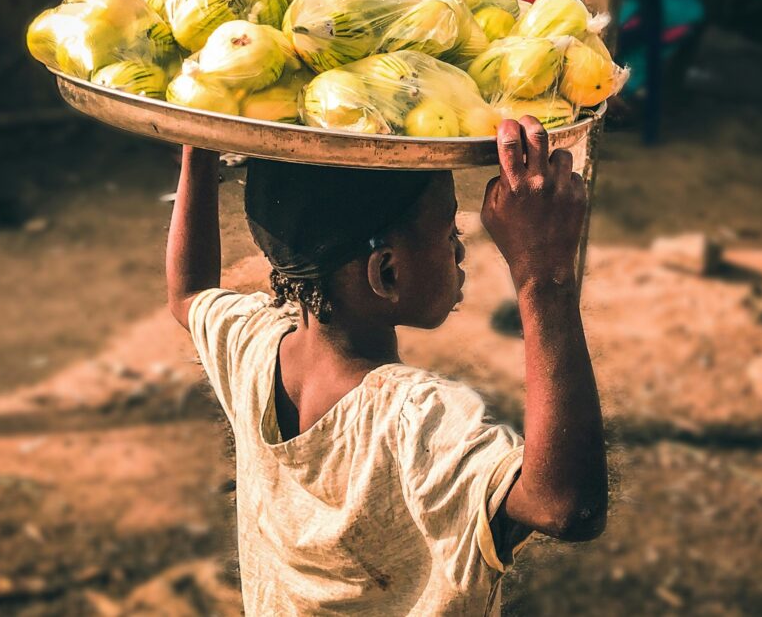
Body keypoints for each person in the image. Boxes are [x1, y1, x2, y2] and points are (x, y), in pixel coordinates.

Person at [166, 117, 607, 615]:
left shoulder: (253, 347)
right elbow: (565, 507)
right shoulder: (415, 422)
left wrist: (197, 142)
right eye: (449, 233)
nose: (461, 250)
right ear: (388, 272)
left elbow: (189, 294)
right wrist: (542, 272)